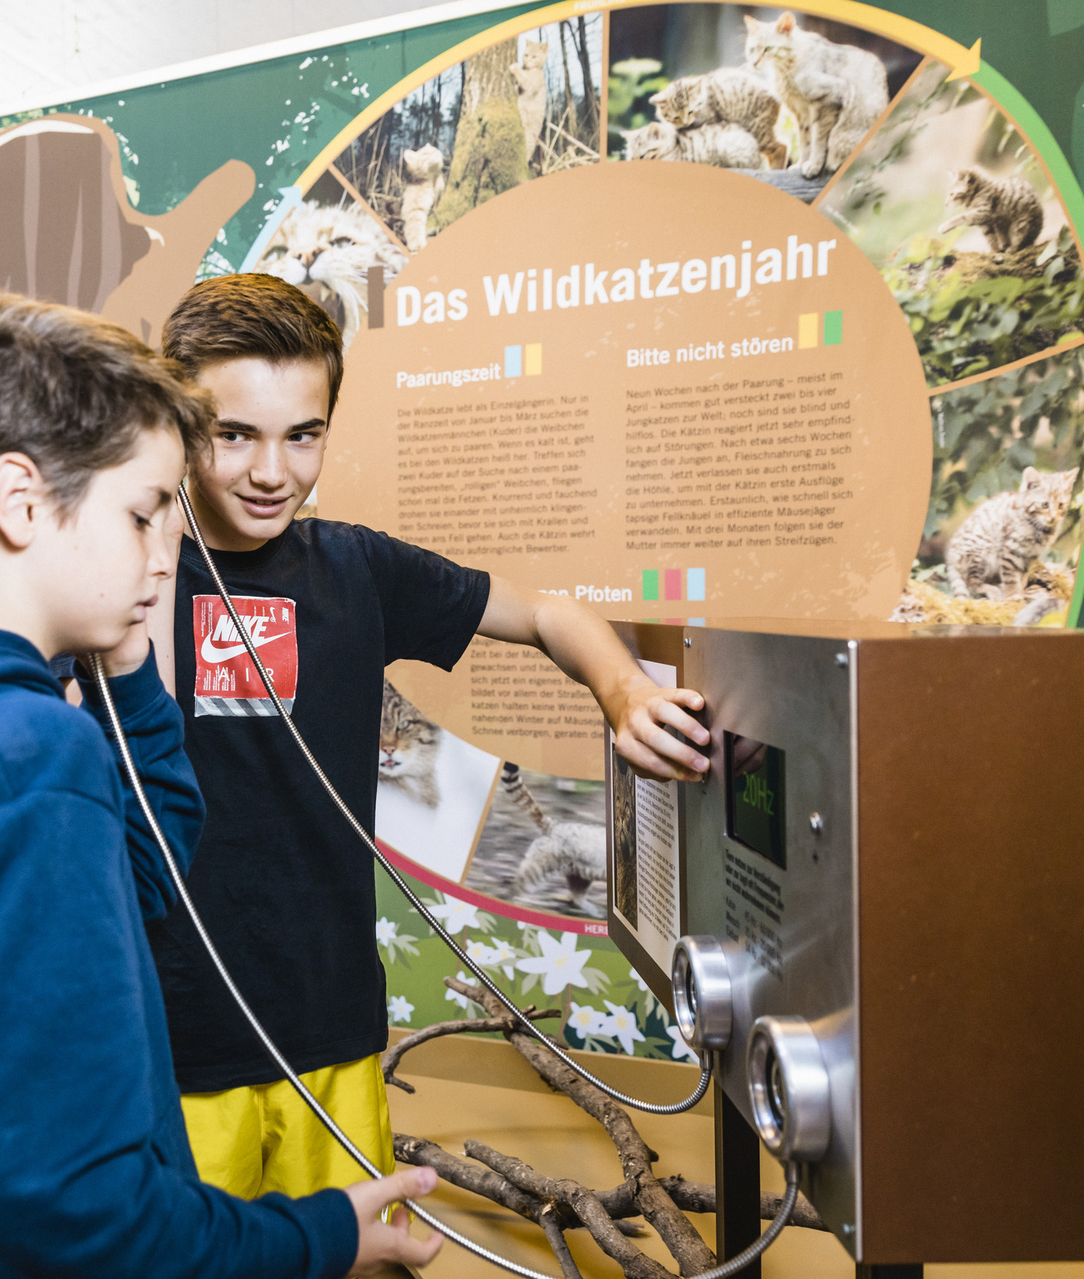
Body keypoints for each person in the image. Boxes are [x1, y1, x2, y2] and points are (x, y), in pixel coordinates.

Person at [0, 290, 442, 1278]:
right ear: (21, 501)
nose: (167, 556)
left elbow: (143, 875)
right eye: (144, 513)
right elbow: (67, 1211)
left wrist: (127, 670)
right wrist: (316, 1237)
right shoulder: (31, 754)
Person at [147, 273, 713, 1201]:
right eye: (233, 433)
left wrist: (623, 692)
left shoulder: (355, 567)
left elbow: (546, 613)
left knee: (348, 1251)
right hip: (171, 1029)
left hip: (329, 1020)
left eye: (303, 435)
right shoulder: (125, 577)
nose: (271, 471)